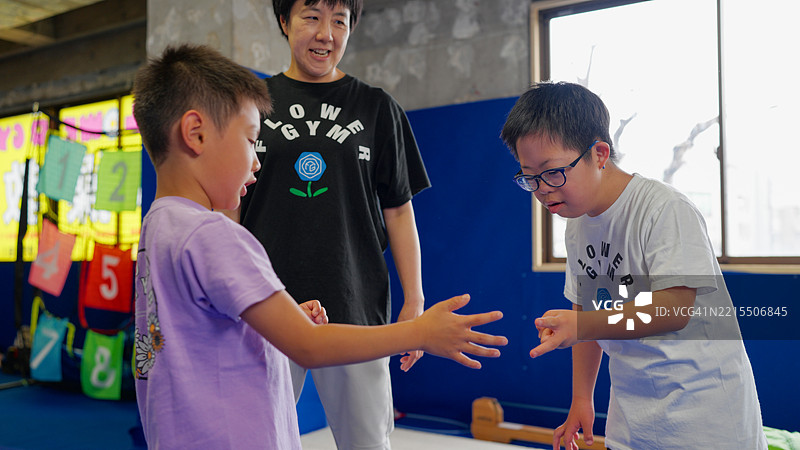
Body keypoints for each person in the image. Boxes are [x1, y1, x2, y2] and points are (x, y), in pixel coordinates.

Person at [131, 43, 507, 449]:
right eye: (250, 140)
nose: (257, 162)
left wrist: (288, 313)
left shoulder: (160, 226)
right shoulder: (216, 236)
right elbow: (307, 347)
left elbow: (206, 329)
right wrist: (417, 333)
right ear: (196, 133)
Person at [500, 81, 767, 450]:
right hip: (634, 420)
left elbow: (675, 308)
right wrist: (582, 398)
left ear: (599, 154)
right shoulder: (577, 227)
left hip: (705, 417)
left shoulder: (662, 209)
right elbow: (587, 312)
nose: (543, 188)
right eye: (530, 177)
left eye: (553, 172)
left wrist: (581, 324)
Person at [233, 0, 431, 448]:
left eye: (339, 21)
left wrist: (414, 304)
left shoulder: (378, 108)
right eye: (312, 17)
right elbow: (233, 206)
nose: (326, 33)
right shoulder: (253, 105)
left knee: (367, 442)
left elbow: (399, 212)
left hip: (356, 304)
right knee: (260, 439)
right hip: (269, 305)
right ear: (284, 22)